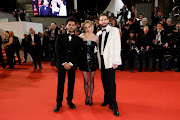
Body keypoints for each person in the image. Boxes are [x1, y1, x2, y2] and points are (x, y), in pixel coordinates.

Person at [54, 17, 83, 112]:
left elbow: (77, 53)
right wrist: (64, 63)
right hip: (62, 64)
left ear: (76, 26)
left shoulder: (78, 39)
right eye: (69, 25)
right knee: (60, 84)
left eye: (73, 25)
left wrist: (70, 63)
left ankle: (69, 101)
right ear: (66, 26)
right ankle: (58, 103)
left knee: (71, 83)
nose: (71, 27)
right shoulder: (59, 36)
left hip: (72, 65)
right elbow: (58, 51)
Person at [96, 13, 121, 116]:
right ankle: (106, 100)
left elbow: (117, 46)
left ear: (108, 20)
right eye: (101, 20)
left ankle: (114, 106)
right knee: (104, 82)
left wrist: (116, 61)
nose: (103, 21)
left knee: (111, 84)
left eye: (105, 19)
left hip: (111, 61)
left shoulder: (114, 31)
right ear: (99, 21)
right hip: (102, 60)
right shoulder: (98, 33)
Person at [79, 20, 98, 106]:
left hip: (93, 60)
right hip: (83, 60)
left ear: (92, 27)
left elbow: (98, 50)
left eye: (89, 27)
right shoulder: (81, 36)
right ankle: (86, 96)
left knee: (91, 80)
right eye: (85, 27)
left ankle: (91, 97)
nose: (87, 29)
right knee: (86, 80)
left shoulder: (96, 37)